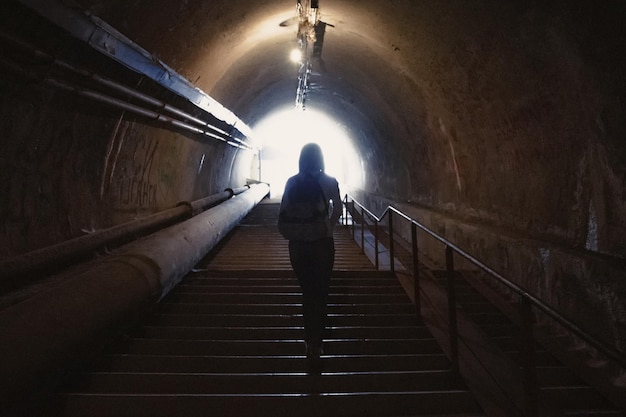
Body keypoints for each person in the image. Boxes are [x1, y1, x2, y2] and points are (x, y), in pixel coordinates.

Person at [279, 143, 342, 362]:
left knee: (307, 293)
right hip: (323, 244)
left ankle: (308, 341)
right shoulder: (331, 181)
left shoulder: (292, 182)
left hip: (298, 246)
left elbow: (283, 212)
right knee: (321, 292)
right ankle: (319, 341)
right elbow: (339, 211)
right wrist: (327, 228)